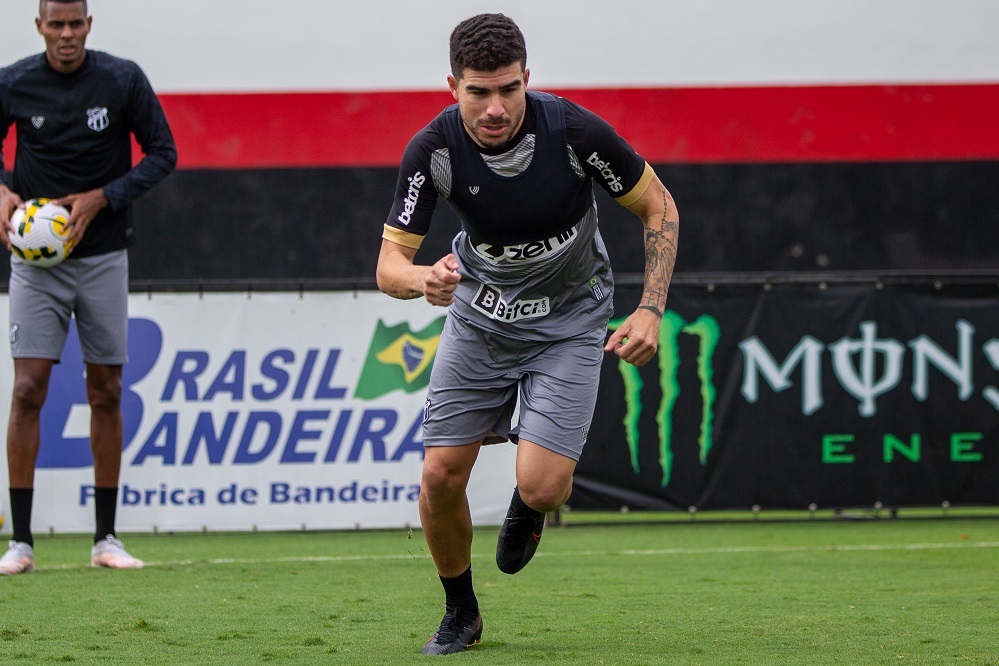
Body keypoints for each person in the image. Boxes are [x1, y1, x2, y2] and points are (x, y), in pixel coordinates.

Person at [376, 13, 679, 655]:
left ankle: (529, 507)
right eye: (478, 92)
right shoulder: (431, 149)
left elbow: (659, 206)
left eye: (508, 89)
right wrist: (421, 279)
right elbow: (388, 267)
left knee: (544, 486)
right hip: (480, 317)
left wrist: (651, 307)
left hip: (571, 320)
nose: (494, 108)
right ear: (452, 85)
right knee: (439, 476)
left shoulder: (572, 130)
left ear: (527, 81)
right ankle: (461, 611)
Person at [0, 0, 177, 575]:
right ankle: (21, 543)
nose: (67, 34)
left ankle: (106, 538)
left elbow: (163, 154)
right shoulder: (15, 81)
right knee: (28, 389)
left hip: (103, 256)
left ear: (89, 26)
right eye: (57, 24)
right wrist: (2, 191)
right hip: (34, 262)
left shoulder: (122, 78)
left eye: (76, 23)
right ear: (40, 27)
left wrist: (103, 197)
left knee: (105, 389)